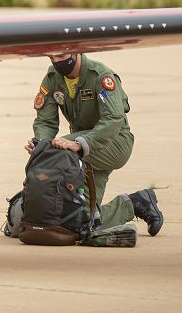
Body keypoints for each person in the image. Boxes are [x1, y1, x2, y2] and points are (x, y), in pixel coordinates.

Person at [26, 52, 164, 236]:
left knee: (57, 151)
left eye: (61, 55)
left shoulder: (101, 76)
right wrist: (40, 145)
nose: (57, 62)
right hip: (83, 150)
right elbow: (45, 122)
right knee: (78, 222)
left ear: (76, 50)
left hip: (114, 143)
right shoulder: (52, 78)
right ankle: (134, 203)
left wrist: (79, 144)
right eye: (51, 57)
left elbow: (114, 120)